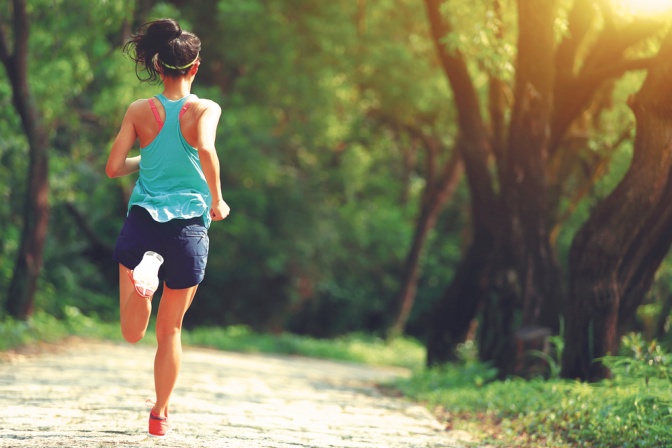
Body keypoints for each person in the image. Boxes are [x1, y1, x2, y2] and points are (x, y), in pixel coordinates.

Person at [105, 18, 230, 438]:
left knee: (131, 332)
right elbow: (207, 149)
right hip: (187, 228)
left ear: (158, 67)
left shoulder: (139, 111)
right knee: (170, 330)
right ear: (195, 68)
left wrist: (147, 155)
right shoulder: (205, 109)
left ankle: (144, 283)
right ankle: (159, 413)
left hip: (143, 222)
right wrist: (217, 199)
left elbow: (112, 168)